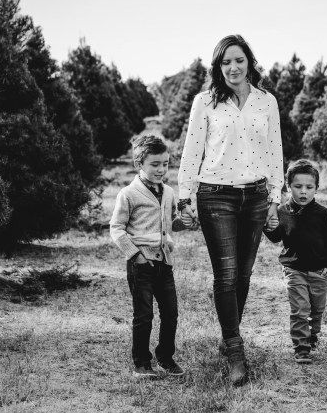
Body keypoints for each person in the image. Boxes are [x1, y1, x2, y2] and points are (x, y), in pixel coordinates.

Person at [177, 34, 284, 385]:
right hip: (215, 195)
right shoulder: (205, 102)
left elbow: (275, 152)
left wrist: (274, 199)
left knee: (244, 274)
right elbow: (192, 151)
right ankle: (236, 353)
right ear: (218, 67)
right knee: (226, 274)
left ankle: (229, 334)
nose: (233, 67)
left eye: (239, 60)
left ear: (249, 62)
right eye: (226, 62)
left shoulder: (266, 102)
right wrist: (185, 197)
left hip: (255, 196)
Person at [110, 135, 187, 379]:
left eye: (165, 163)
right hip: (141, 263)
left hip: (164, 262)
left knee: (171, 313)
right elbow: (116, 228)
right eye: (155, 164)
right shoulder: (129, 194)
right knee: (144, 316)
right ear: (139, 164)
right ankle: (142, 363)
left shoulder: (169, 192)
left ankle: (165, 357)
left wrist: (184, 222)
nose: (161, 169)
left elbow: (170, 223)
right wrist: (136, 256)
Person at [263, 159, 327, 364]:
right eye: (298, 186)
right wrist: (267, 226)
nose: (303, 191)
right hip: (293, 269)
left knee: (316, 309)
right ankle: (301, 347)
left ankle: (312, 335)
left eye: (309, 187)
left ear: (316, 188)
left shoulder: (322, 213)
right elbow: (276, 237)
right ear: (288, 187)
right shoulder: (282, 211)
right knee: (300, 309)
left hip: (318, 271)